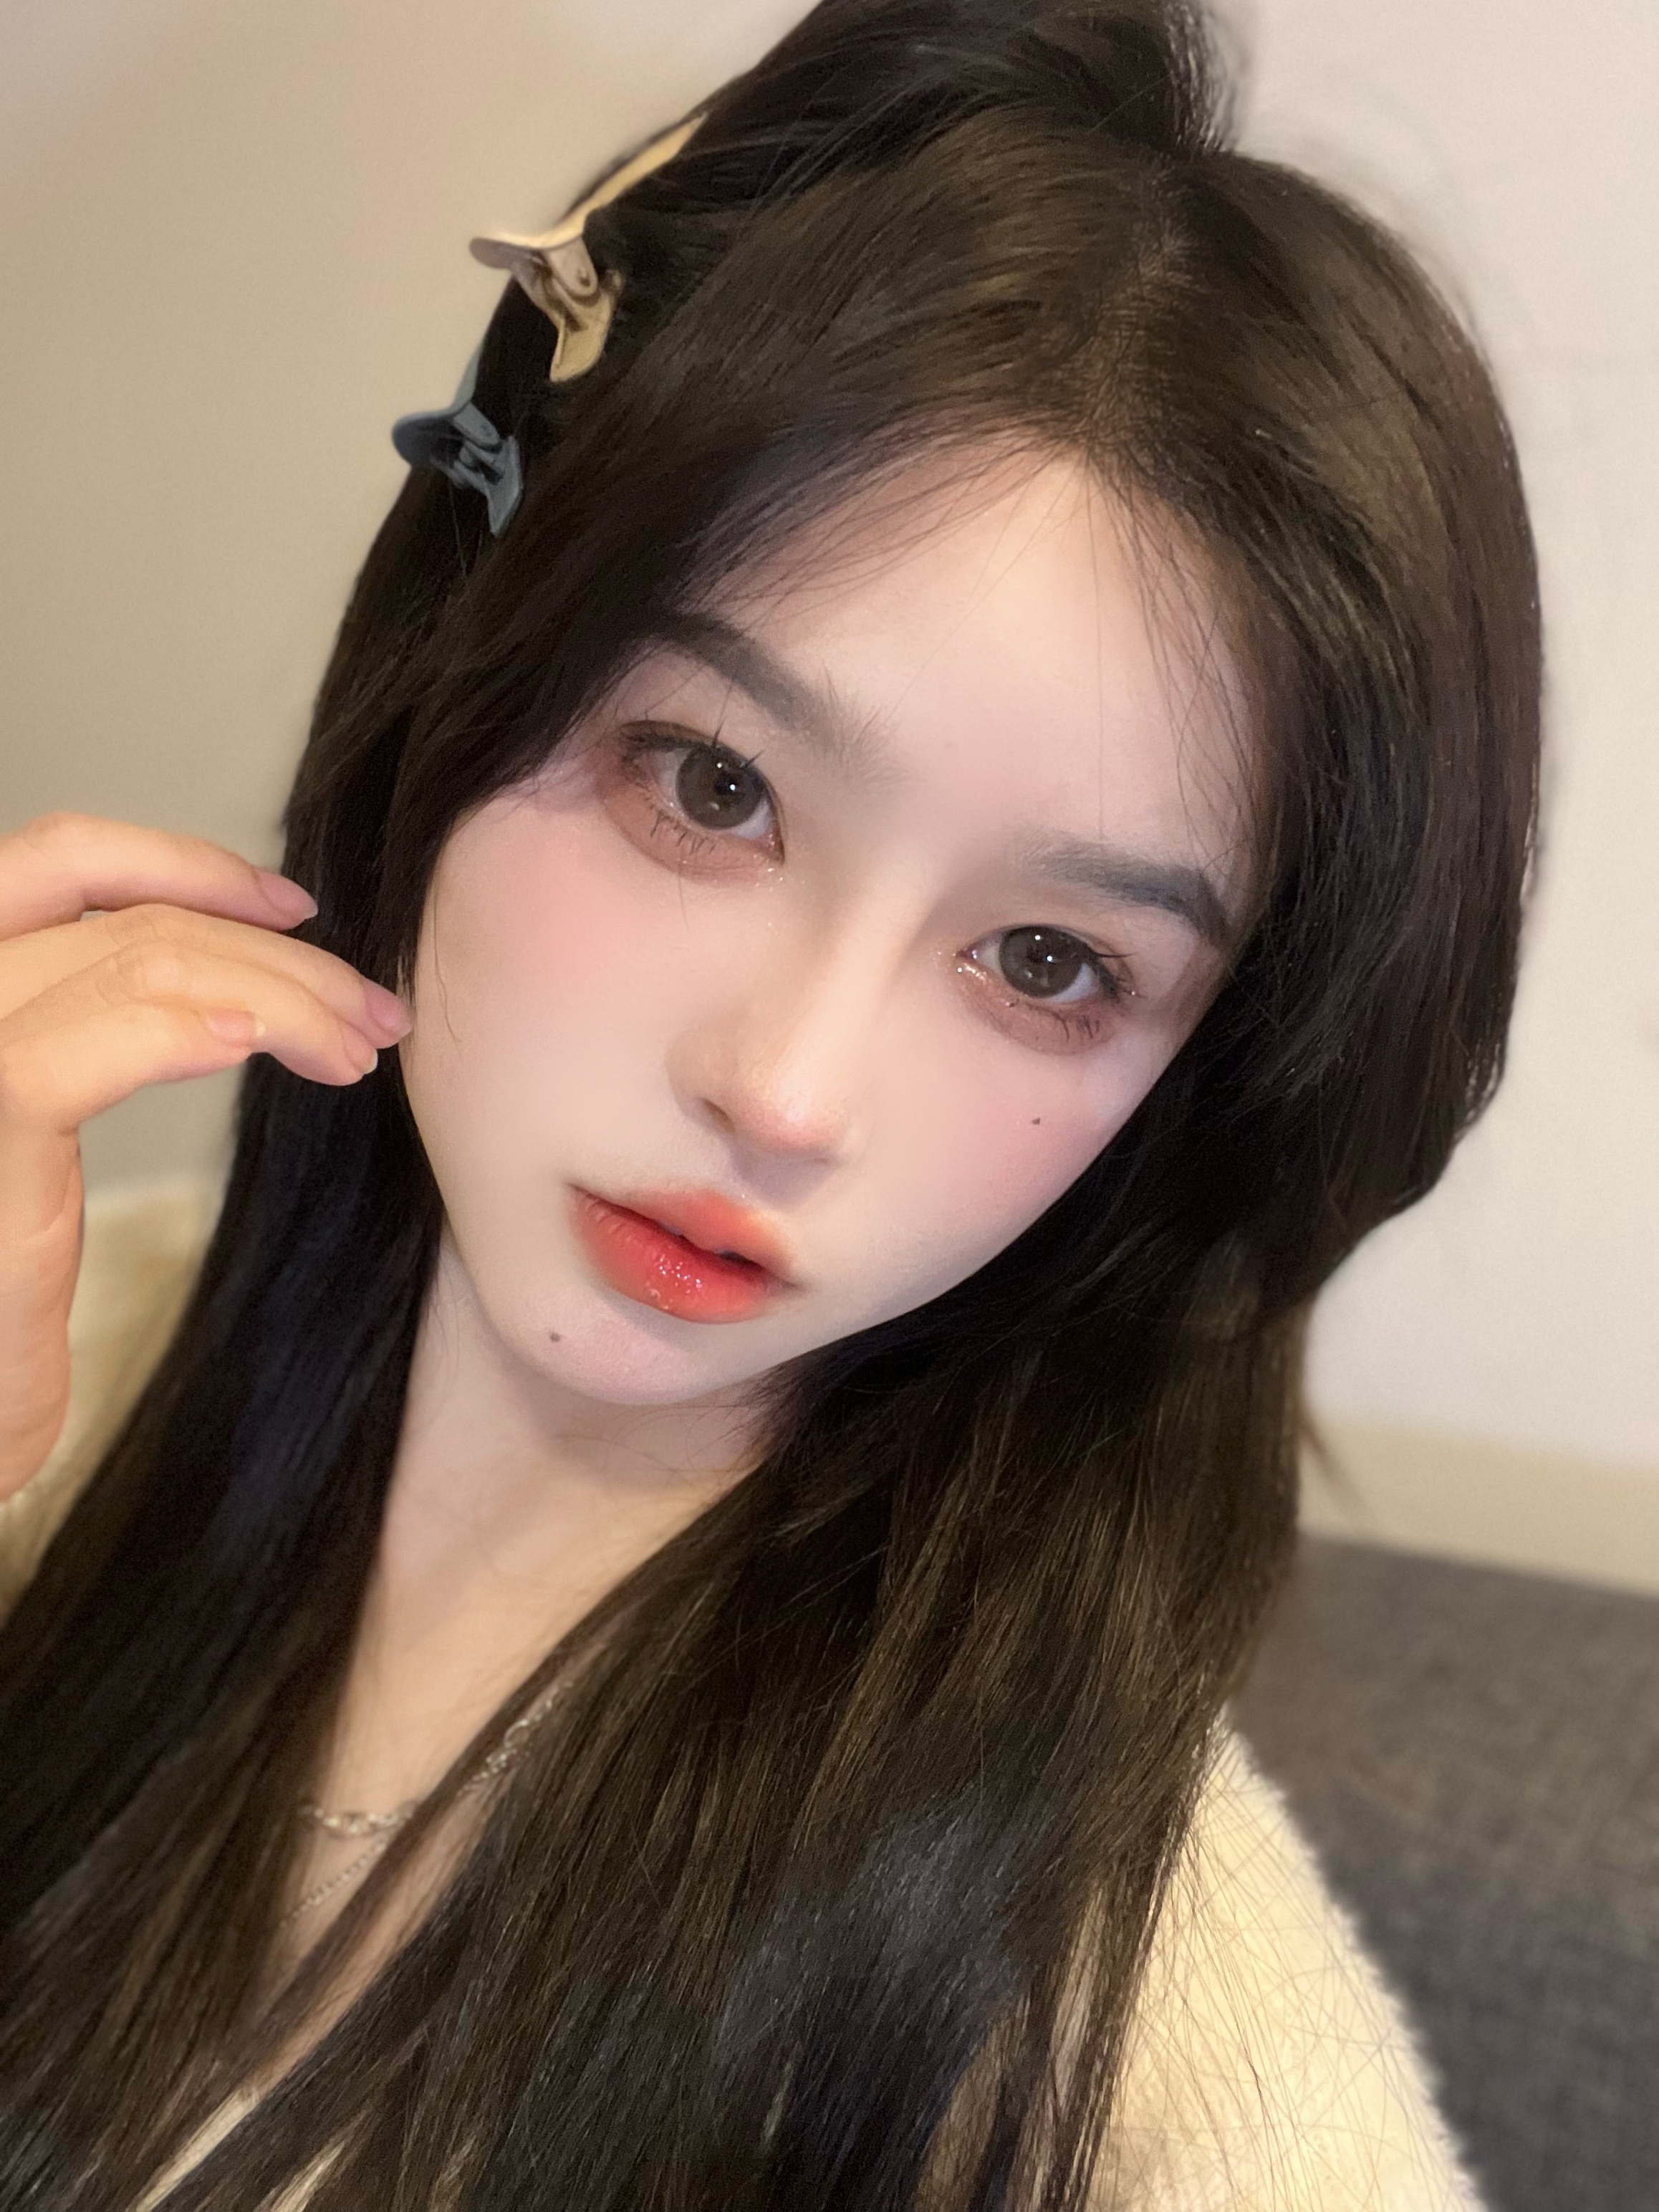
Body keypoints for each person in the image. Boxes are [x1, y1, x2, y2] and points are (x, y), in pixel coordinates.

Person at [0, 1, 1539, 2204]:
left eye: (1048, 963)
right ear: (457, 671)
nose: (788, 1092)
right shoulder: (68, 1340)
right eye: (713, 786)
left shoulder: (1142, 2053)